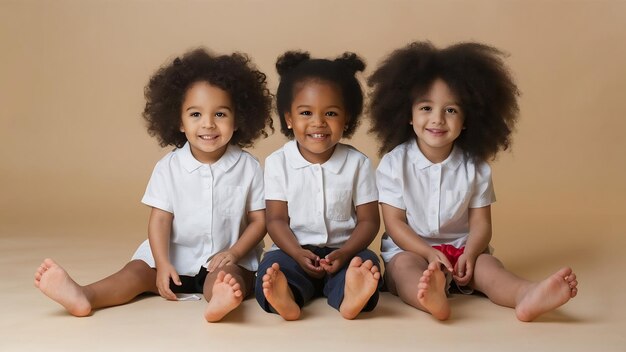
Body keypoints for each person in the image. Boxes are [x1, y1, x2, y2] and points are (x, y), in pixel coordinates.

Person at [34, 48, 273, 322]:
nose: (208, 124)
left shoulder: (248, 167)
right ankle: (85, 295)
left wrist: (235, 252)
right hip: (172, 257)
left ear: (238, 118)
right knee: (134, 273)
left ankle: (220, 299)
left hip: (225, 258)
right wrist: (161, 265)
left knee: (227, 278)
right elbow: (159, 220)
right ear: (179, 122)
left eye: (220, 114)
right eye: (195, 114)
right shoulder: (168, 168)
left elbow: (259, 221)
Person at [369, 41, 578, 322]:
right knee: (405, 270)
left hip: (462, 247)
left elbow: (481, 224)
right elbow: (394, 224)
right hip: (412, 249)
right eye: (426, 108)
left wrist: (470, 252)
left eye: (451, 110)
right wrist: (428, 253)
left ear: (468, 119)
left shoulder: (475, 166)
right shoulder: (395, 163)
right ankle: (431, 299)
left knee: (490, 269)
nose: (438, 119)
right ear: (408, 114)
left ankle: (526, 294)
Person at [256, 51, 381, 320]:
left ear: (347, 118)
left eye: (331, 113)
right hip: (293, 250)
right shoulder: (279, 162)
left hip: (344, 251)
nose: (318, 122)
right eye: (306, 113)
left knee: (367, 264)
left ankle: (350, 296)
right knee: (271, 267)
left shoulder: (357, 163)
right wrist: (297, 252)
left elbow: (369, 221)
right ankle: (287, 298)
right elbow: (276, 220)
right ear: (289, 118)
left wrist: (346, 252)